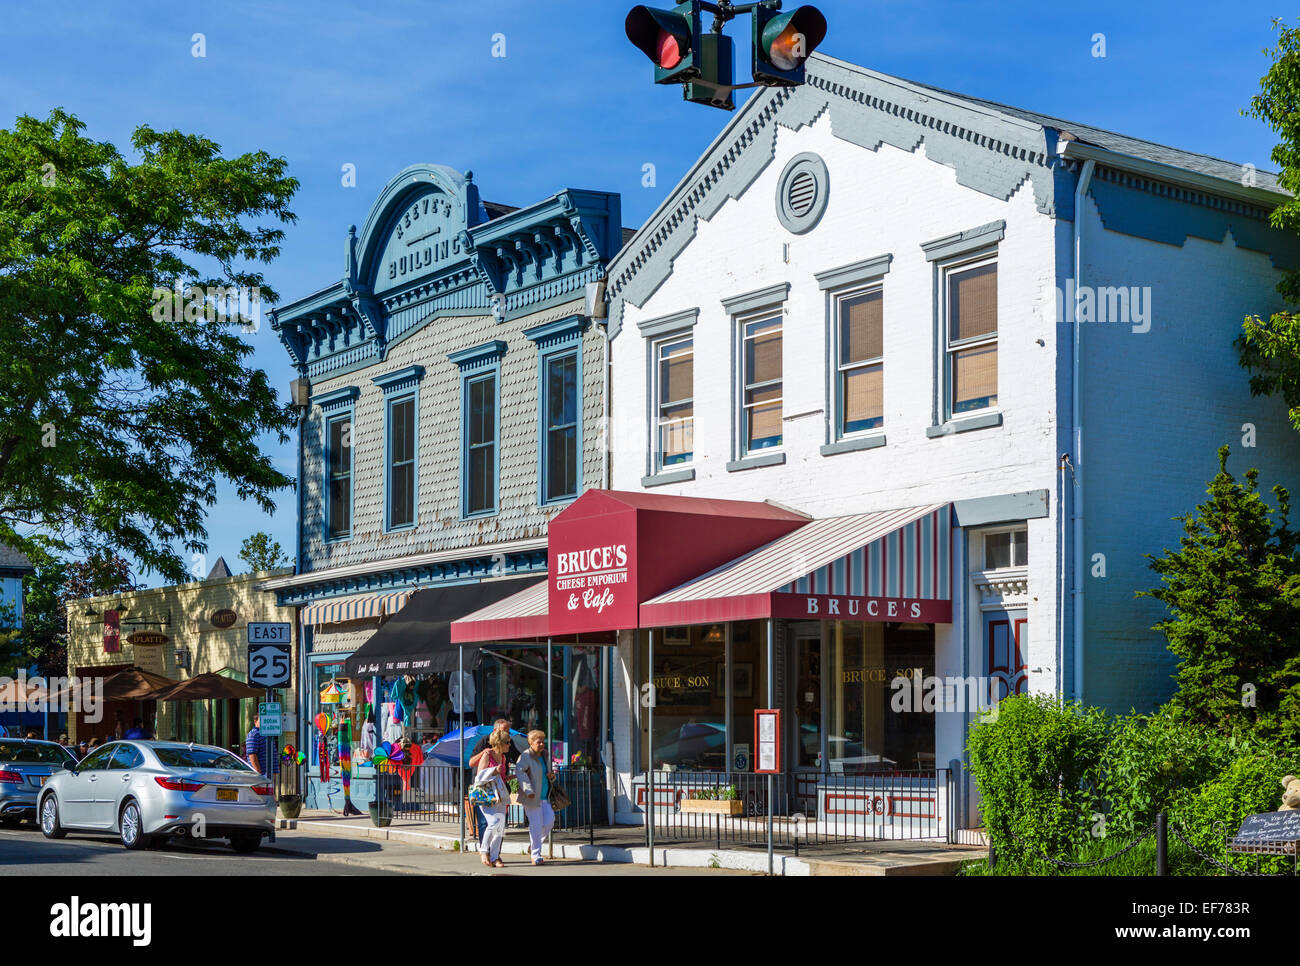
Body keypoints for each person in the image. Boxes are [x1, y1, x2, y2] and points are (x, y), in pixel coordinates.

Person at [515, 729, 555, 866]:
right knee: (536, 826)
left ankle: (533, 846)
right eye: (539, 742)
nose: (542, 744)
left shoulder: (545, 755)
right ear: (531, 743)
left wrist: (551, 775)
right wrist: (528, 790)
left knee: (550, 821)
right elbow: (519, 772)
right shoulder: (525, 756)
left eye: (543, 741)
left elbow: (548, 771)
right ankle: (536, 855)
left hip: (545, 795)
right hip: (532, 796)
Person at [473, 730, 511, 868]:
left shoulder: (503, 757)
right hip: (487, 795)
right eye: (507, 742)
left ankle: (495, 857)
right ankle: (484, 851)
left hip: (499, 794)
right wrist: (493, 771)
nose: (509, 745)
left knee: (500, 827)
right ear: (500, 743)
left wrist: (510, 778)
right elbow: (479, 778)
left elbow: (502, 777)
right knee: (494, 823)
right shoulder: (487, 755)